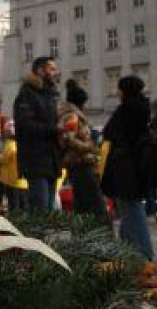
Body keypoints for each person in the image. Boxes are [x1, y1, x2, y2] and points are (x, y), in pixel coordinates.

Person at [102, 76, 153, 260]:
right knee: (128, 211)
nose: (117, 92)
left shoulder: (128, 109)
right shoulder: (142, 106)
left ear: (125, 90)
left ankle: (143, 254)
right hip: (134, 166)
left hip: (125, 167)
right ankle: (127, 253)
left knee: (131, 211)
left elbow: (109, 131)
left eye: (119, 89)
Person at [13, 56, 62, 211]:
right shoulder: (27, 94)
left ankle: (45, 234)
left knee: (49, 207)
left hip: (51, 160)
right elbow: (25, 124)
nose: (56, 72)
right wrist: (56, 129)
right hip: (36, 160)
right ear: (41, 71)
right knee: (40, 208)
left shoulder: (50, 95)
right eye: (52, 69)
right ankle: (37, 235)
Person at [59, 79, 109, 225]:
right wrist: (89, 146)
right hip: (81, 162)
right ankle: (104, 233)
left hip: (78, 163)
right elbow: (69, 138)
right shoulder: (72, 116)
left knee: (82, 203)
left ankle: (82, 234)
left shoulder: (72, 115)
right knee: (96, 202)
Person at [0, 119, 28, 212]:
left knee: (13, 205)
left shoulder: (10, 144)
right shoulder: (27, 143)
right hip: (25, 181)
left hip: (12, 180)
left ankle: (14, 223)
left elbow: (4, 159)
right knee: (24, 206)